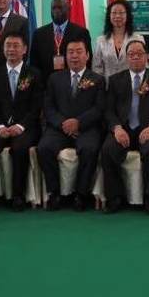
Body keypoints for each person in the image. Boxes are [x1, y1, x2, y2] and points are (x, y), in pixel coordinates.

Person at [101, 38, 149, 214]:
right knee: (108, 148)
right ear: (126, 58)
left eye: (139, 54)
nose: (135, 58)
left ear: (147, 57)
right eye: (131, 54)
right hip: (123, 129)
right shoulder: (116, 80)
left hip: (148, 129)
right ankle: (115, 197)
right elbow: (108, 110)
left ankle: (148, 197)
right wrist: (116, 128)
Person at [37, 39, 105, 211]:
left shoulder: (97, 80)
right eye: (70, 52)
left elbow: (99, 108)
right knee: (44, 147)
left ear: (87, 55)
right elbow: (48, 107)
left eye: (79, 51)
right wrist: (62, 124)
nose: (74, 56)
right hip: (59, 128)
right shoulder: (54, 78)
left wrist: (79, 123)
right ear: (65, 56)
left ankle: (81, 195)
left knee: (89, 149)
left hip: (86, 128)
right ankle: (54, 193)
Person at [0, 33, 42, 212]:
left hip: (25, 127)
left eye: (16, 45)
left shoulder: (34, 74)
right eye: (8, 45)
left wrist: (20, 126)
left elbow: (36, 106)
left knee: (20, 149)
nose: (11, 49)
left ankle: (18, 196)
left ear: (24, 50)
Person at [29, 0, 92, 78]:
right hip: (45, 83)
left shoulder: (81, 32)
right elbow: (34, 63)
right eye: (53, 8)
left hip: (72, 82)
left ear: (68, 10)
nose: (56, 11)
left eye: (60, 7)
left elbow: (88, 61)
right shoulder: (39, 34)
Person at [92, 0, 144, 78]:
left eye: (121, 13)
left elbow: (141, 65)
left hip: (129, 86)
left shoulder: (138, 39)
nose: (117, 16)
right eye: (114, 13)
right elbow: (97, 68)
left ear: (127, 15)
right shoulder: (101, 40)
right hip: (107, 87)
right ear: (109, 16)